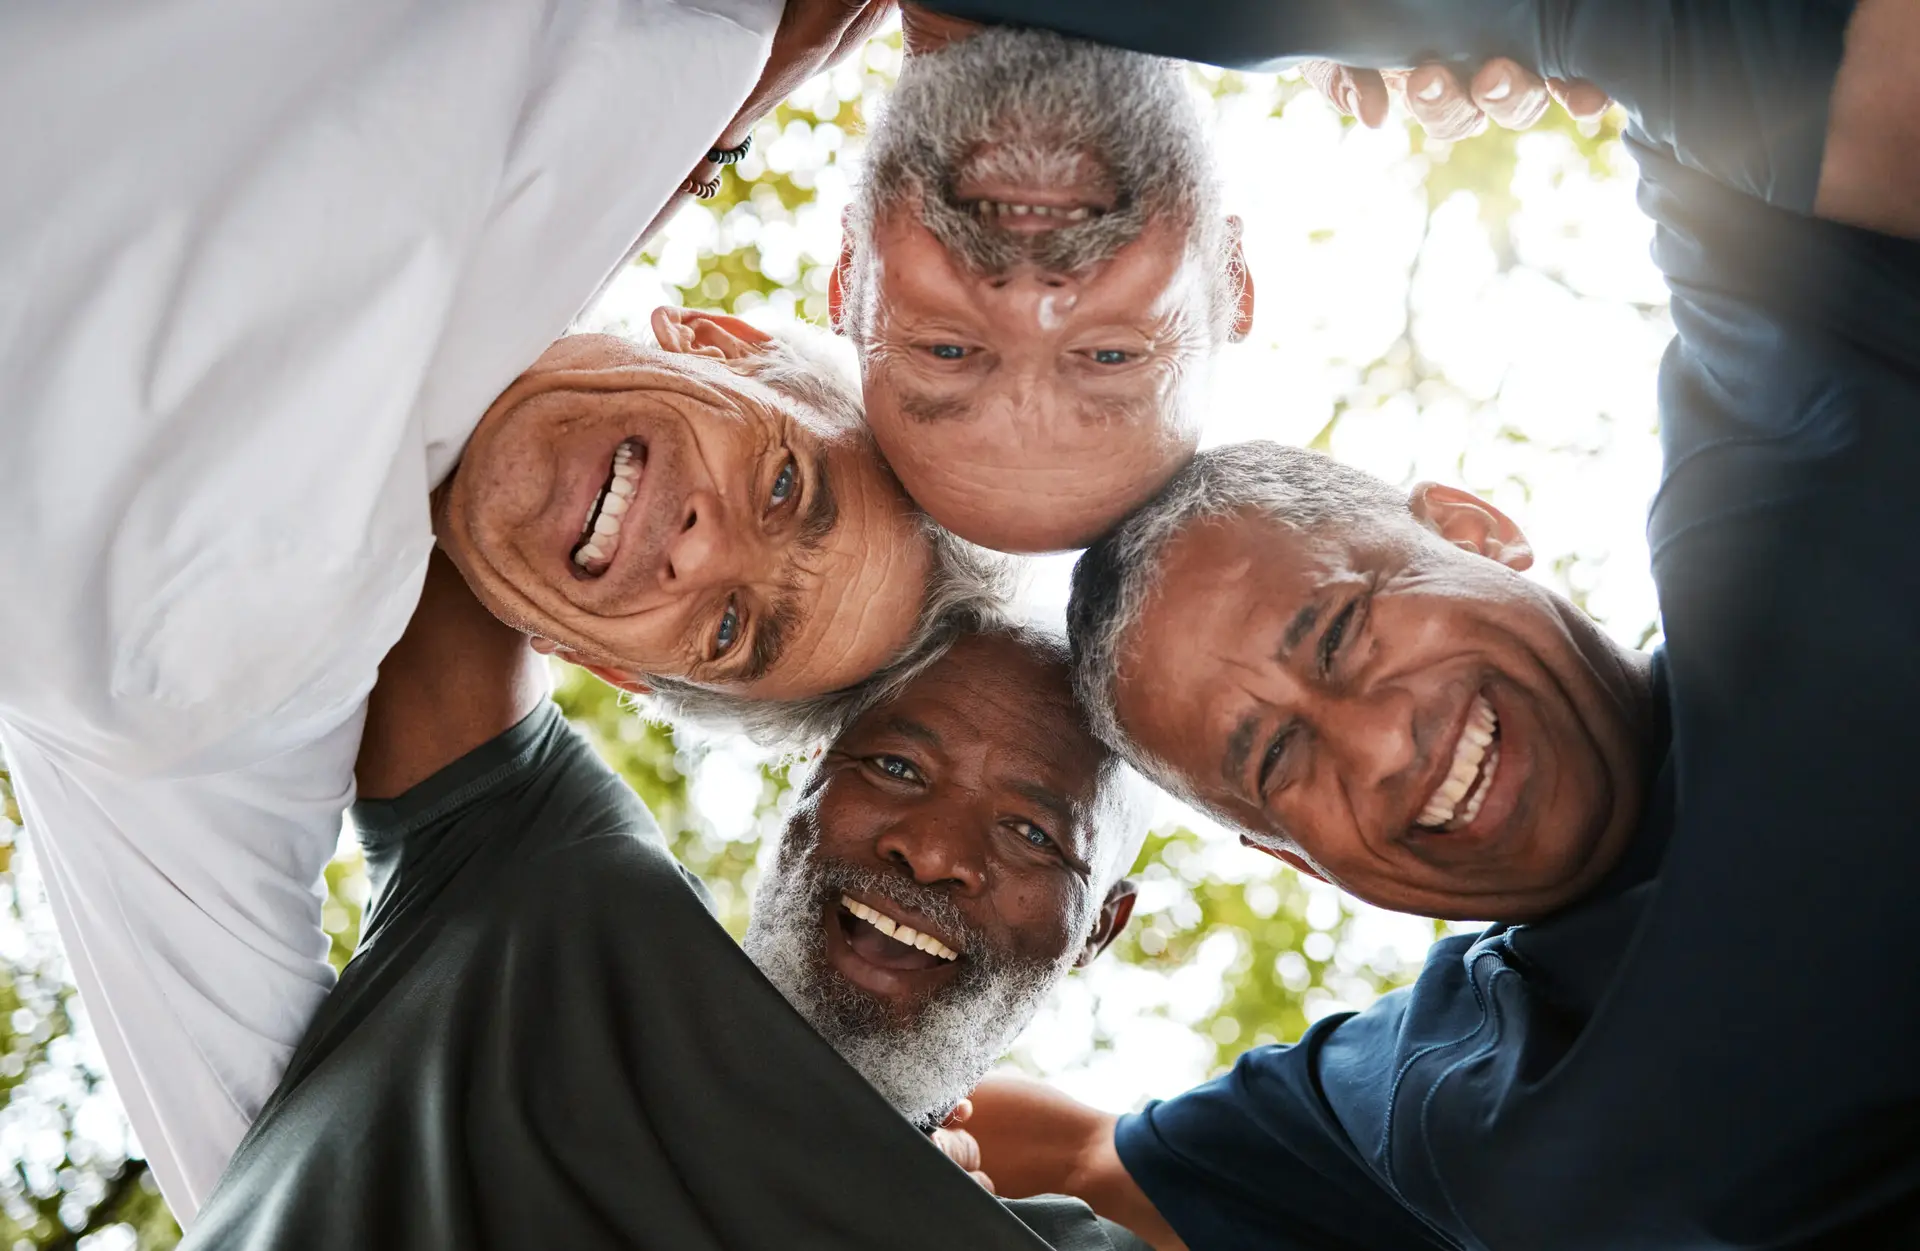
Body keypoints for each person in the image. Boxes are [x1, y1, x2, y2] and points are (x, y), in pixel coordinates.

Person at [958, 1, 1920, 1247]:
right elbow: (1082, 1158)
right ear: (1297, 860)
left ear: (1475, 530)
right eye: (1279, 763)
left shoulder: (1796, 475)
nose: (1382, 745)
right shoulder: (1413, 1095)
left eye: (1344, 632)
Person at [0, 0, 970, 1221]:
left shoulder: (230, 710)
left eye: (727, 632)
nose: (698, 549)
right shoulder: (638, 54)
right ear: (719, 340)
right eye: (785, 486)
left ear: (599, 663)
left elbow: (298, 1181)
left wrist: (802, 1162)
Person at [179, 549, 1153, 1251]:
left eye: (1032, 834)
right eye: (897, 766)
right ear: (812, 770)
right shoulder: (552, 884)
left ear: (1099, 928)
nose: (932, 848)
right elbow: (464, 482)